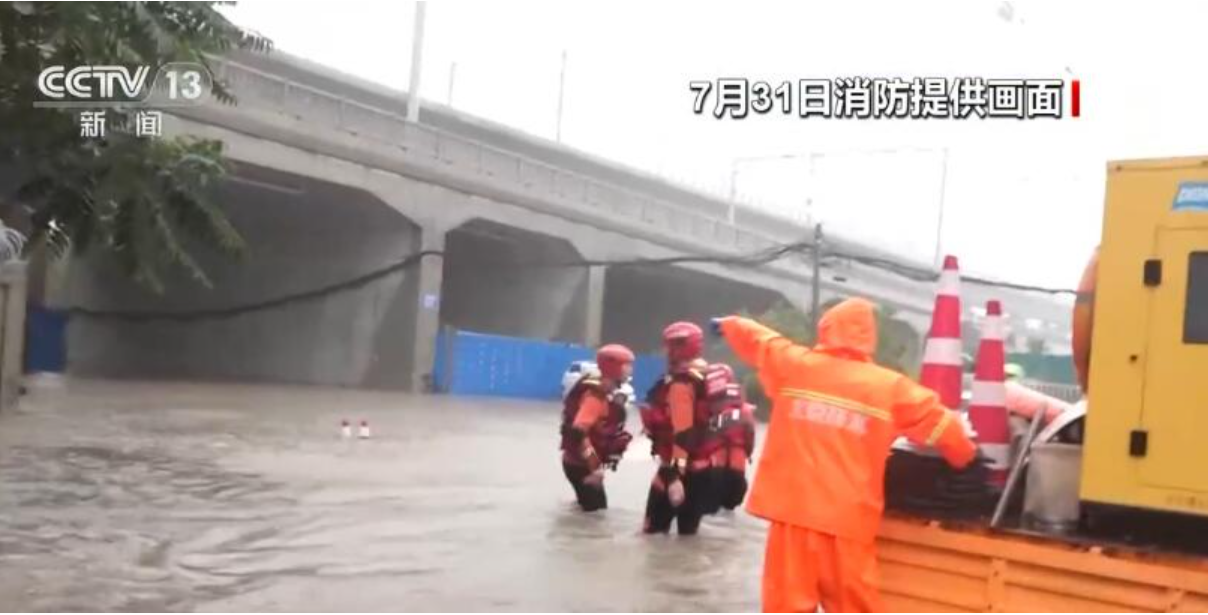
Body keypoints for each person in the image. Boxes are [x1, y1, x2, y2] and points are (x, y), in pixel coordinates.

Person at [712, 298, 982, 612]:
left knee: (786, 604)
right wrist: (966, 458)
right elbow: (941, 422)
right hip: (849, 522)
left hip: (793, 518)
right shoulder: (889, 386)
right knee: (854, 606)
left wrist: (728, 323)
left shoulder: (795, 365)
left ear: (826, 328)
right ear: (869, 337)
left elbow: (762, 340)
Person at [640, 321, 715, 535]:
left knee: (651, 536)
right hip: (702, 472)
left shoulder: (681, 385)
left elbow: (682, 434)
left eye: (670, 346)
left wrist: (674, 477)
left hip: (677, 472)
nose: (666, 352)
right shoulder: (705, 377)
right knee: (688, 540)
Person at [560, 344, 635, 512]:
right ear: (614, 367)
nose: (631, 370)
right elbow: (579, 431)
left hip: (578, 462)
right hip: (580, 465)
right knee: (596, 516)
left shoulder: (605, 392)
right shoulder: (595, 397)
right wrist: (594, 466)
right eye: (627, 365)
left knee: (587, 512)